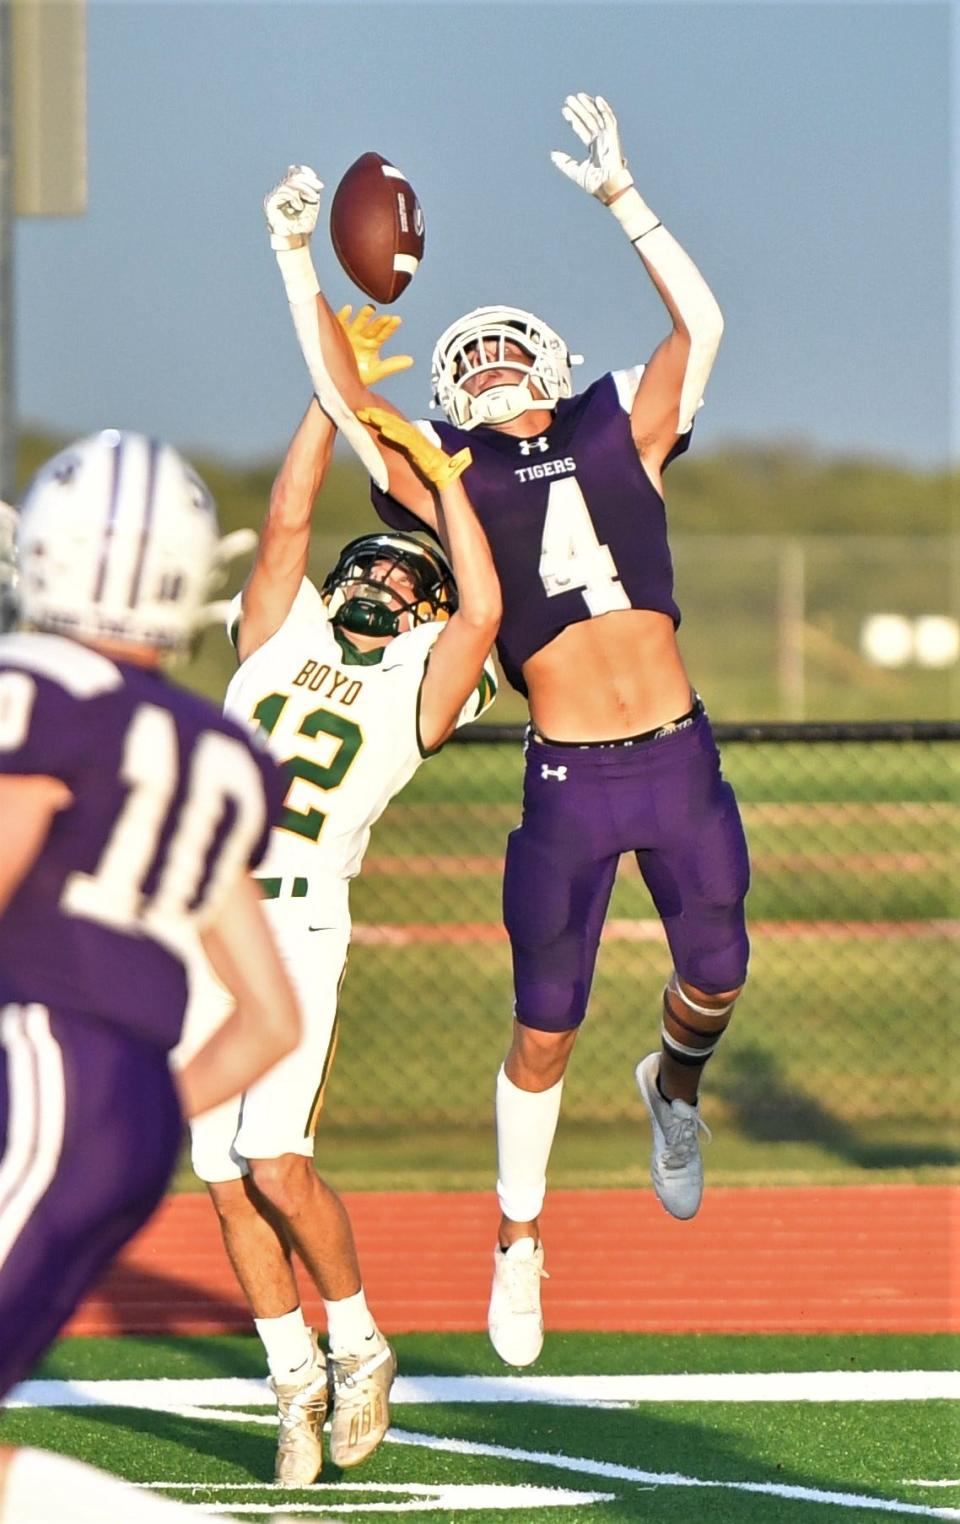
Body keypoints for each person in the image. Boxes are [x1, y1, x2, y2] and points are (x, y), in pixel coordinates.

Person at [270, 92, 751, 1368]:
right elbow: (336, 387)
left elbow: (701, 326)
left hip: (678, 753)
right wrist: (294, 259)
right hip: (569, 779)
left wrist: (624, 200)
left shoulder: (622, 430)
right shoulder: (449, 478)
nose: (485, 363)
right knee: (544, 1022)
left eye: (503, 351)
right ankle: (518, 1240)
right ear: (452, 394)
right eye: (465, 358)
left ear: (544, 361)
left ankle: (675, 1089)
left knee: (718, 973)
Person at [185, 277, 501, 1479]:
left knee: (275, 1162)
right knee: (217, 1177)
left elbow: (481, 607)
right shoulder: (286, 628)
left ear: (418, 606)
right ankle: (290, 1379)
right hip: (198, 917)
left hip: (297, 920)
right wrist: (334, 400)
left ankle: (361, 1345)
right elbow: (283, 523)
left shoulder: (422, 678)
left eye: (395, 574)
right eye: (363, 565)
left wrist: (449, 483)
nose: (373, 577)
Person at [0, 430, 303, 1521]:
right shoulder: (208, 746)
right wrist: (121, 1112)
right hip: (123, 1107)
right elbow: (268, 1018)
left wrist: (63, 1096)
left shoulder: (35, 688)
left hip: (37, 1064)